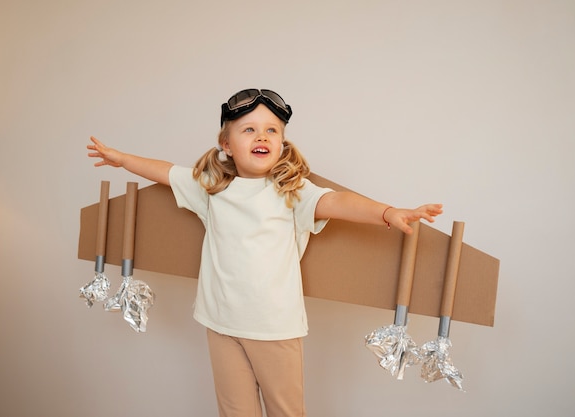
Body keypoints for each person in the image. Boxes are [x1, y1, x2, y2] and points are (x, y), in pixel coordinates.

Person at [87, 88, 442, 417]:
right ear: (226, 144)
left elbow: (338, 201)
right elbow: (165, 172)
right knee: (235, 412)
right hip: (220, 323)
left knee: (285, 412)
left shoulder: (292, 191)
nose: (262, 137)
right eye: (249, 130)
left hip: (274, 328)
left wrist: (387, 212)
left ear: (283, 143)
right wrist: (121, 159)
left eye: (272, 130)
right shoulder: (211, 189)